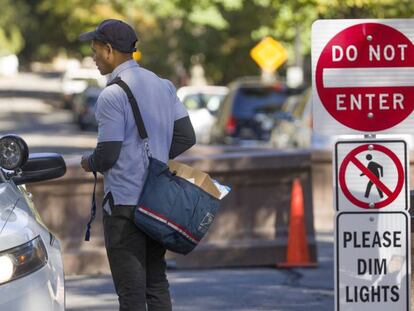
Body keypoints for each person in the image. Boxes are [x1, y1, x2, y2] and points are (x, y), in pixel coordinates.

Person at [78, 19, 196, 311]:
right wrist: (153, 158)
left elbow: (107, 155)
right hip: (155, 202)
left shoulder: (111, 95)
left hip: (124, 207)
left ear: (109, 50)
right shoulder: (163, 85)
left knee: (130, 292)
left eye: (94, 50)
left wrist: (87, 162)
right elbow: (186, 136)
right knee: (156, 284)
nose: (93, 57)